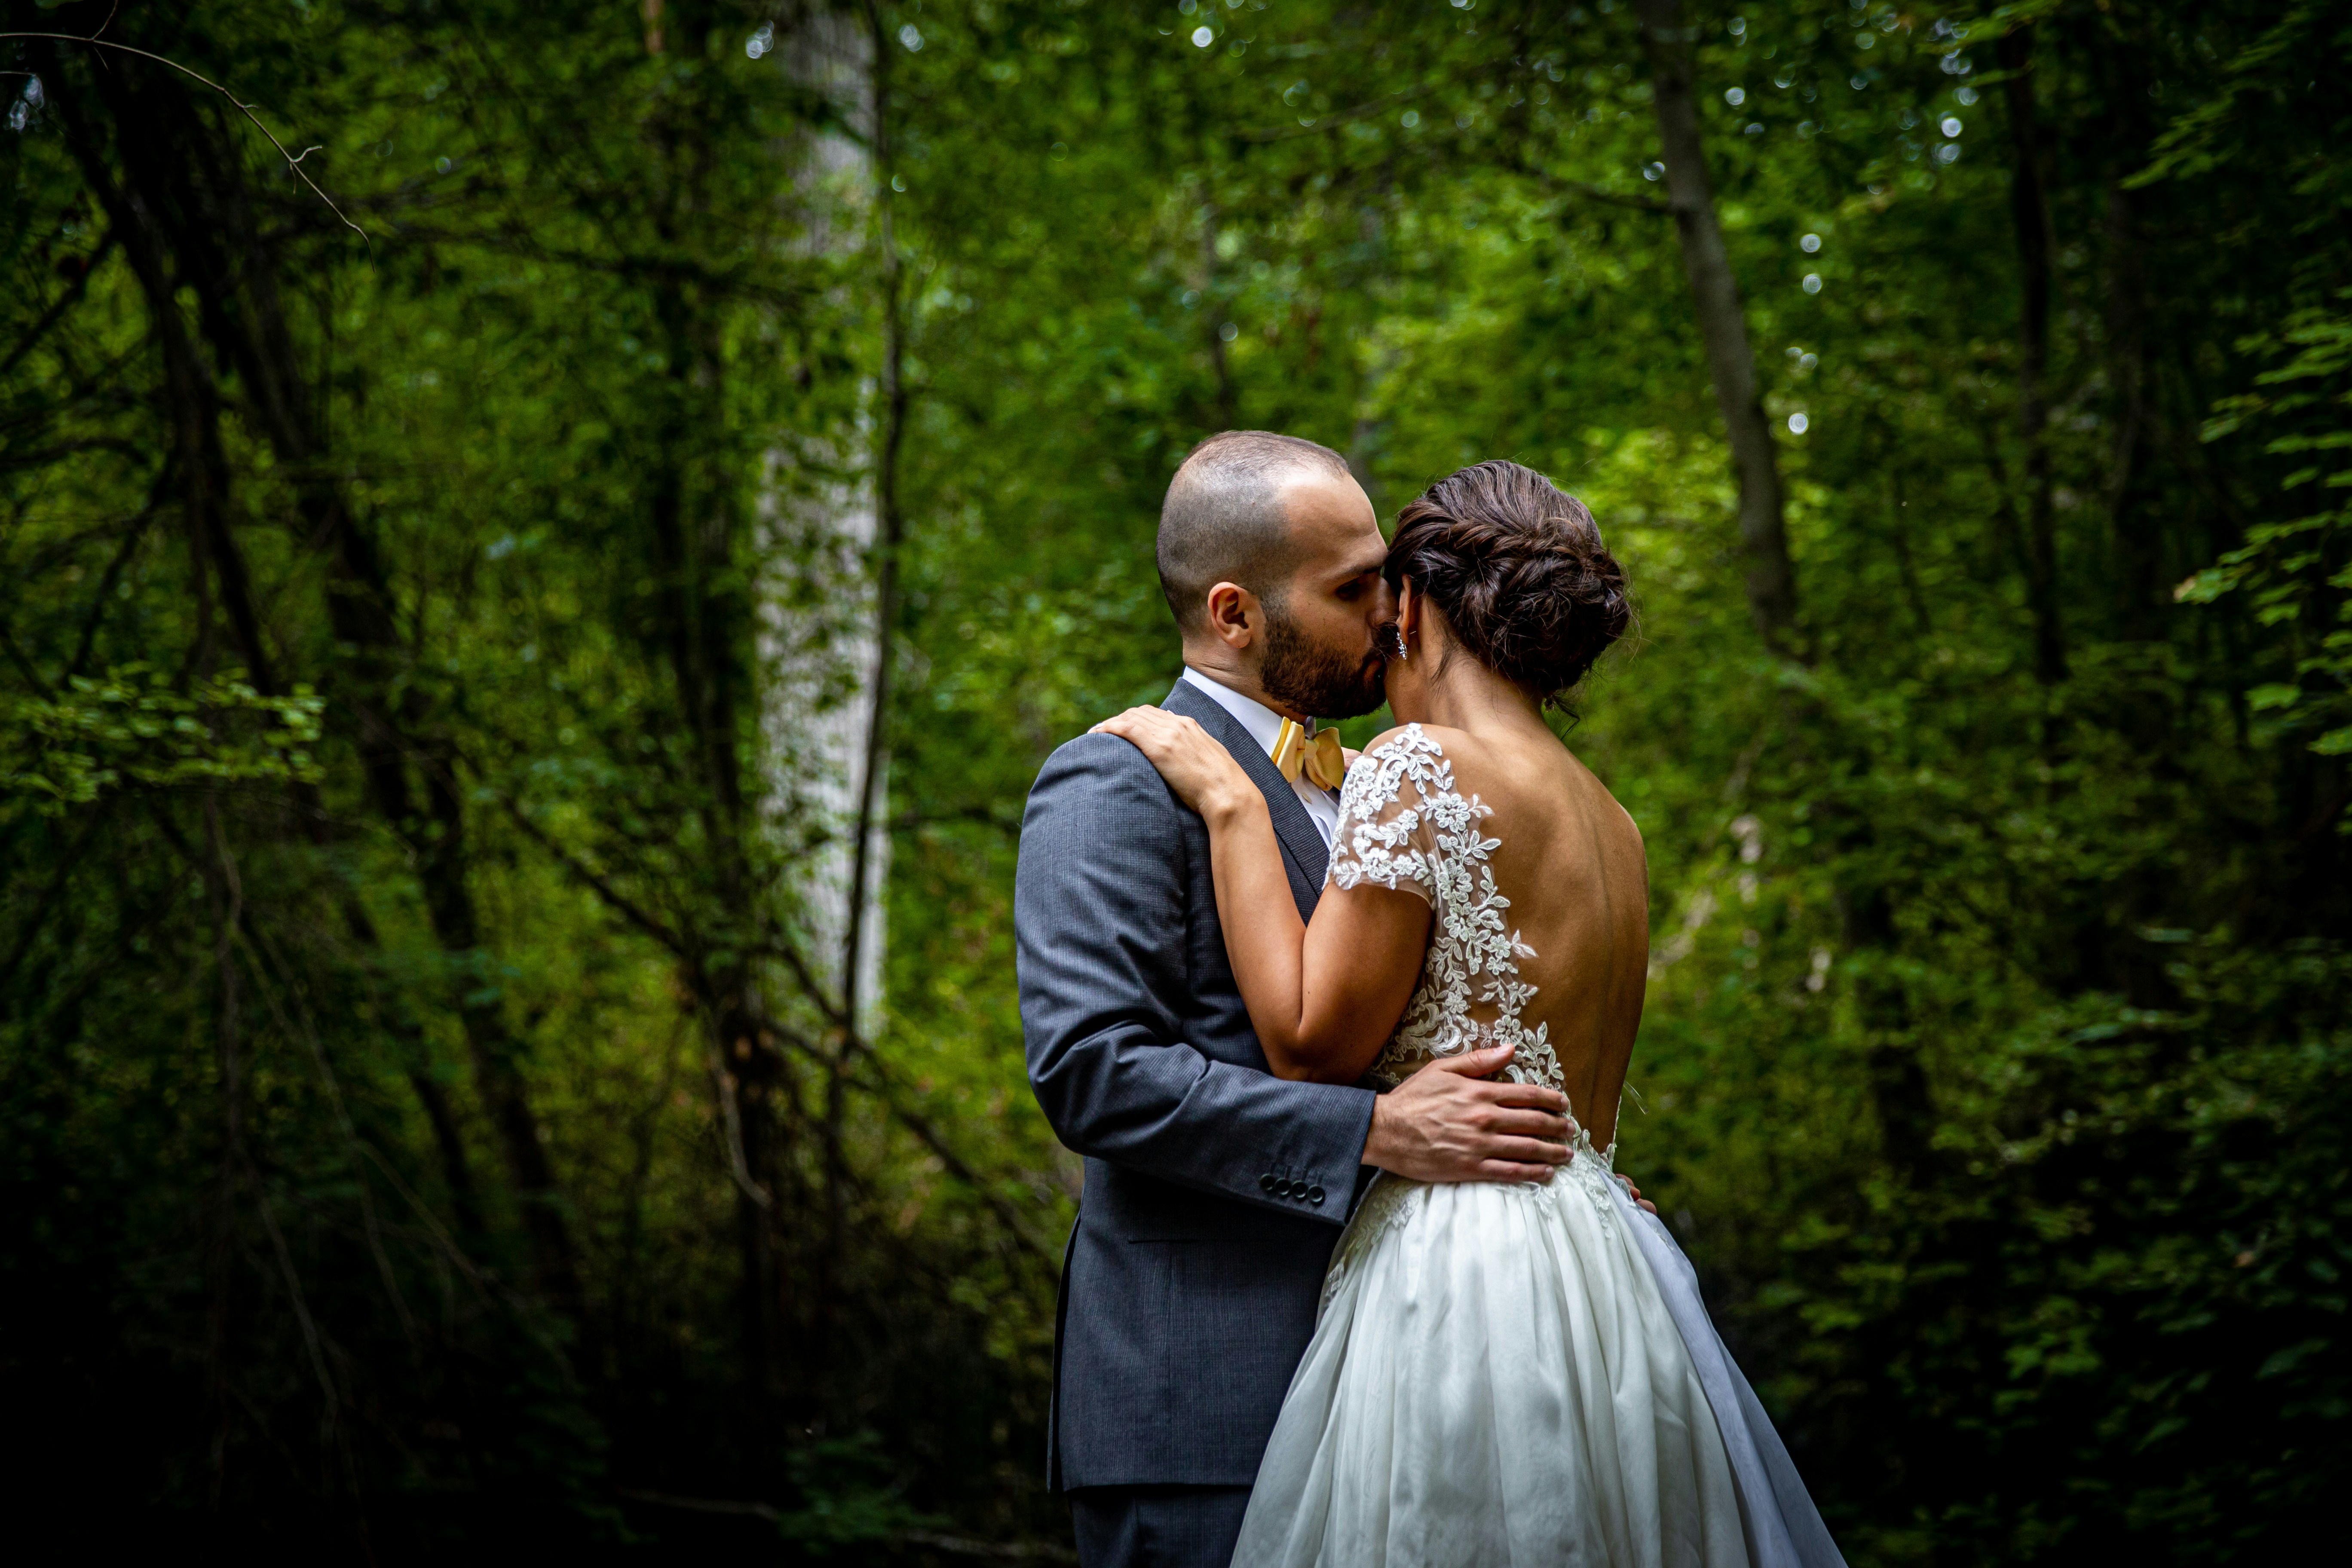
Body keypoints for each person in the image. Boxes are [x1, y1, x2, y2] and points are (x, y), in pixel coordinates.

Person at [1092, 460, 1847, 1567]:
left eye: (1381, 602)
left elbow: (1306, 1047)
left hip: (1471, 1265)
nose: (1373, 633)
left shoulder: (1417, 765)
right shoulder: (1613, 823)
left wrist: (1228, 804)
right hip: (1611, 1266)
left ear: (1424, 609)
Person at [1017, 434, 1583, 1568]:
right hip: (1203, 1408)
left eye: (1386, 574)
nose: (1394, 611)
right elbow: (1093, 1072)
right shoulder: (1118, 782)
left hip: (1397, 1380)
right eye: (1352, 588)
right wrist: (1374, 1131)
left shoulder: (1389, 785)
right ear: (1234, 614)